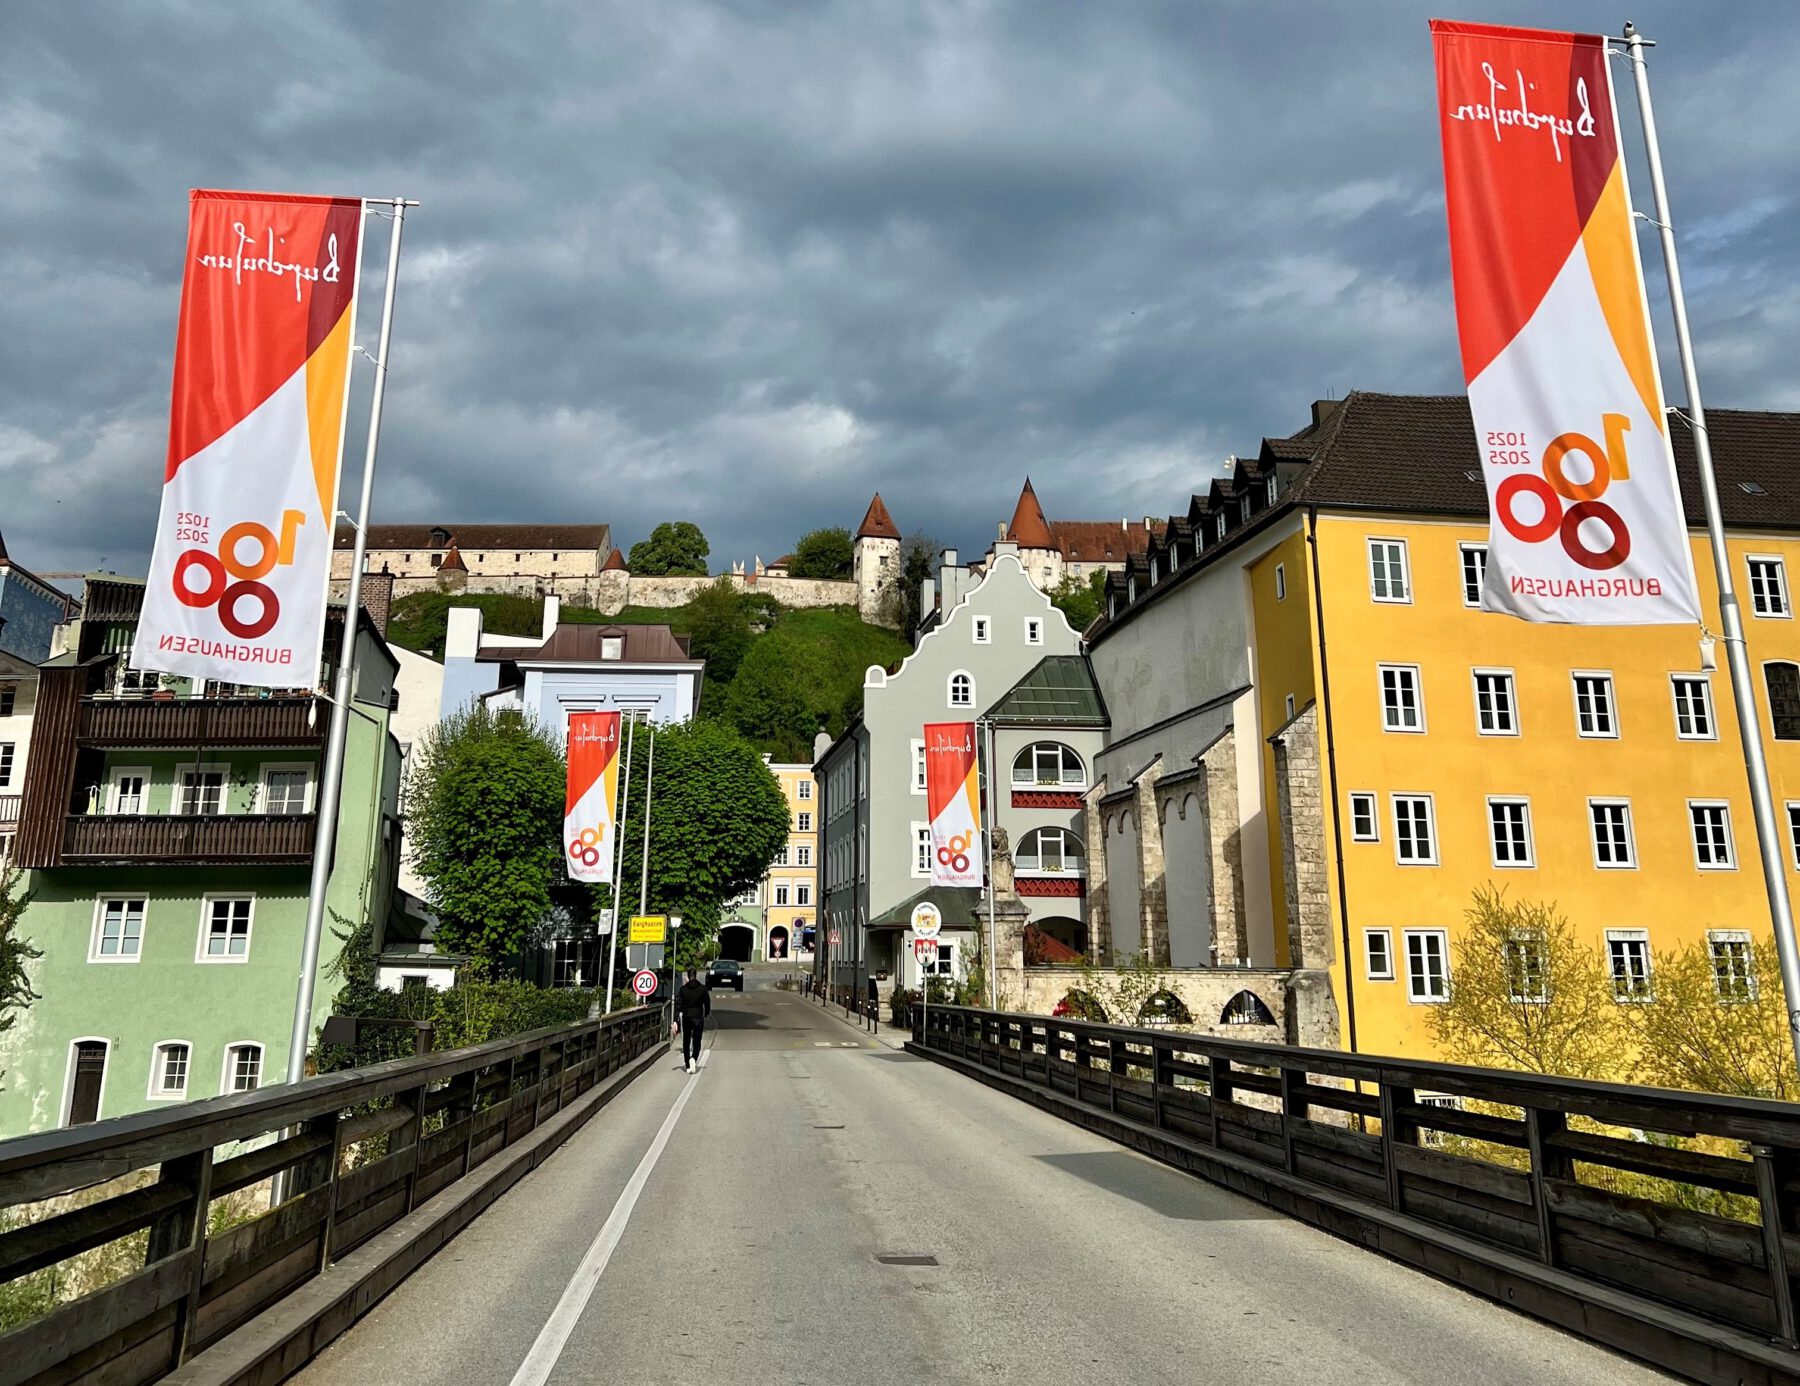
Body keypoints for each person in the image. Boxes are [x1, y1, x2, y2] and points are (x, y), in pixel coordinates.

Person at [677, 968, 711, 1074]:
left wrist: (676, 1020)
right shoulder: (702, 989)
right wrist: (706, 1013)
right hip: (698, 1017)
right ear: (696, 975)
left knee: (686, 1041)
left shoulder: (683, 989)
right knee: (697, 1041)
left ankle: (687, 1065)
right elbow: (707, 1002)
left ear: (688, 976)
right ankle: (694, 1058)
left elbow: (679, 1004)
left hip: (687, 1017)